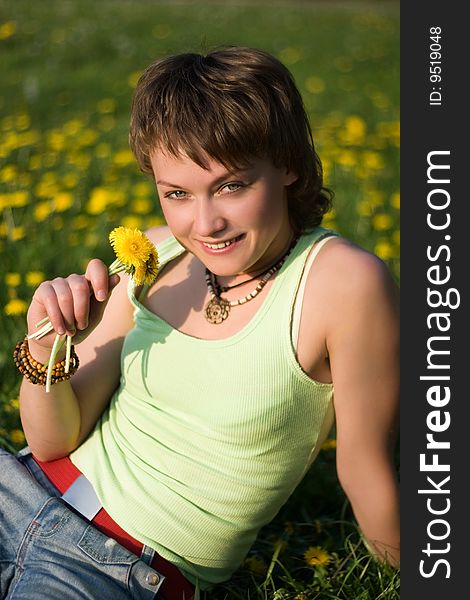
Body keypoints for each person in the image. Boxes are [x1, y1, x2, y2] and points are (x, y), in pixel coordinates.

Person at [0, 47, 400, 599]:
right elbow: (51, 442)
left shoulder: (342, 284)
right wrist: (48, 345)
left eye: (231, 186)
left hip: (114, 568)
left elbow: (366, 471)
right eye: (177, 194)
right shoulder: (154, 256)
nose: (205, 222)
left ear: (288, 164)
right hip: (15, 490)